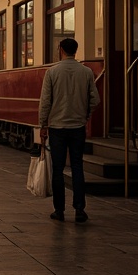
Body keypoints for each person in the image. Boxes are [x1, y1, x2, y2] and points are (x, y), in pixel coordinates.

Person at [38, 37, 100, 223]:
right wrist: (85, 115)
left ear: (61, 50)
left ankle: (59, 210)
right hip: (77, 127)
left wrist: (43, 124)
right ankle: (80, 209)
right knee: (77, 167)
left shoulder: (52, 72)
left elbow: (45, 102)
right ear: (76, 50)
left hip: (57, 127)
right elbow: (95, 100)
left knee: (58, 169)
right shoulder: (87, 72)